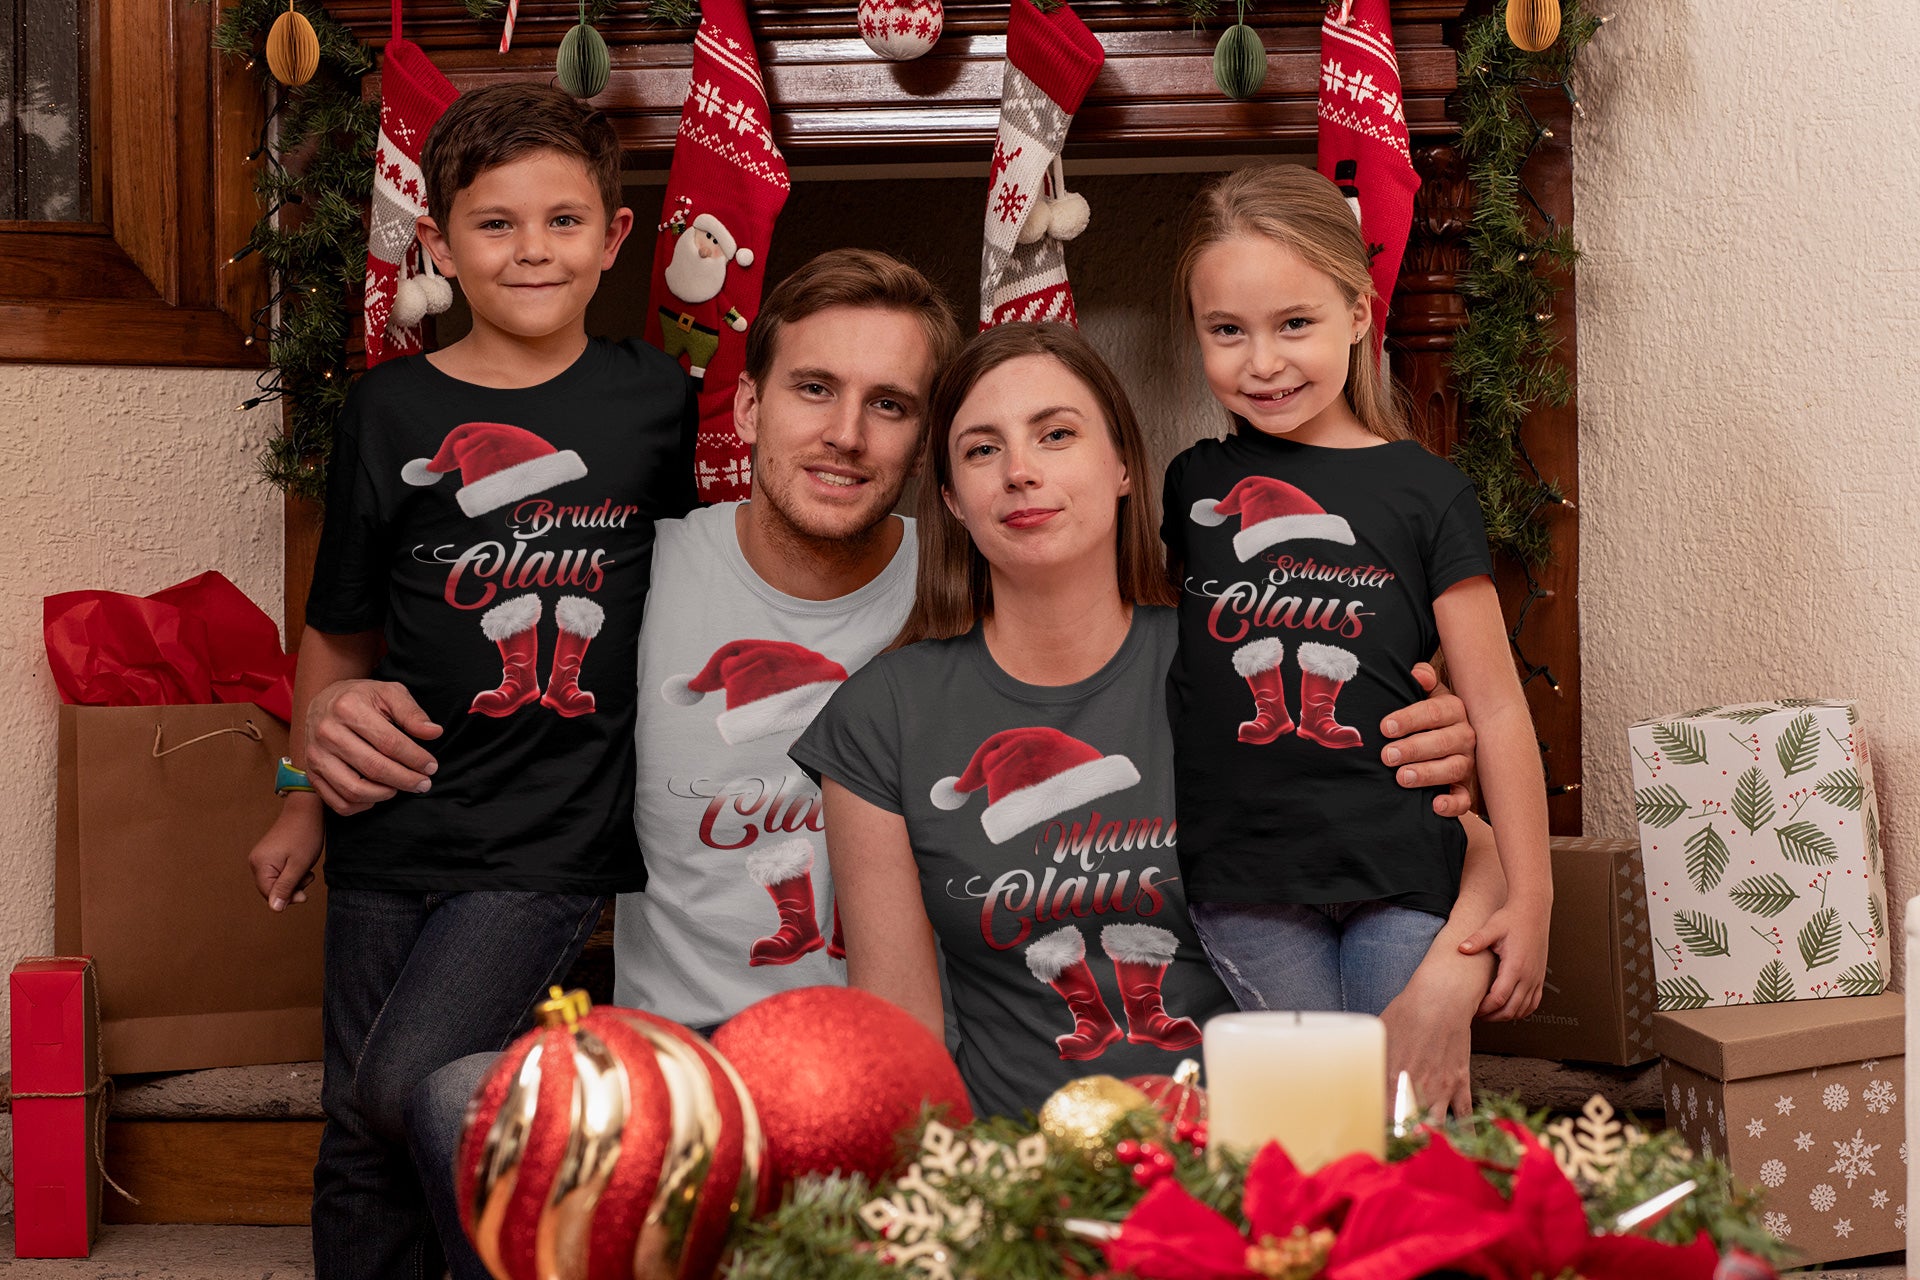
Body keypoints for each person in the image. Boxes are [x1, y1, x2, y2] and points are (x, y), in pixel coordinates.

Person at [300, 253, 1482, 1274]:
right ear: (749, 402)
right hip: (724, 1062)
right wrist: (318, 726)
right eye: (814, 388)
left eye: (892, 404)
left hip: (956, 1085)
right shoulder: (635, 578)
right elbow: (458, 633)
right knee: (465, 1101)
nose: (846, 433)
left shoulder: (1087, 621)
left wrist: (1437, 734)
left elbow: (1371, 786)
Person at [790, 321, 1509, 1117]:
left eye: (1056, 434)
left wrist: (1446, 983)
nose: (1021, 472)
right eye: (982, 449)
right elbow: (904, 1039)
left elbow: (1472, 848)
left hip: (1251, 1176)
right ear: (953, 499)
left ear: (1125, 465)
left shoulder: (1243, 656)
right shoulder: (882, 716)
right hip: (1020, 1188)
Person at [242, 84, 695, 1280]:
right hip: (388, 818)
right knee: (357, 1116)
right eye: (495, 224)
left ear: (614, 234)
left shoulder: (660, 404)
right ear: (439, 242)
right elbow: (338, 634)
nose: (532, 250)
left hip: (551, 831)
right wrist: (301, 796)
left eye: (561, 220)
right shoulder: (390, 409)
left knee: (405, 1082)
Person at [1160, 163, 1550, 1023]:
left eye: (1294, 323)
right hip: (1245, 879)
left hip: (1401, 870)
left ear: (1357, 316)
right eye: (1227, 330)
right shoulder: (1192, 486)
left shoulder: (1426, 492)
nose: (1263, 363)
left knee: (1397, 1105)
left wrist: (1533, 895)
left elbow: (1496, 706)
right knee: (1312, 1109)